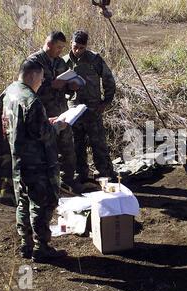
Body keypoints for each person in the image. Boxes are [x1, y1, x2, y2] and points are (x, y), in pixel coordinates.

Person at [1, 60, 68, 262]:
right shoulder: (32, 100)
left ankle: (26, 244)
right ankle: (42, 247)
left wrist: (46, 122)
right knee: (40, 203)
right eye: (41, 78)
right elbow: (43, 134)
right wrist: (58, 127)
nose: (42, 81)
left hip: (18, 159)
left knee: (23, 200)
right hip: (36, 162)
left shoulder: (11, 92)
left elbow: (19, 124)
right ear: (32, 76)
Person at [28, 31, 81, 191]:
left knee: (66, 147)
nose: (60, 51)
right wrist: (50, 85)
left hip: (61, 111)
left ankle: (68, 182)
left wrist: (71, 87)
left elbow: (65, 86)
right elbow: (27, 89)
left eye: (62, 48)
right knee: (45, 150)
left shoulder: (59, 63)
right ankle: (46, 185)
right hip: (42, 114)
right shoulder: (33, 62)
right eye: (58, 47)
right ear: (49, 44)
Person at [63, 30, 116, 183]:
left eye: (81, 47)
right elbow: (58, 86)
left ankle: (104, 174)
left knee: (98, 143)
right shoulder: (64, 61)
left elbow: (109, 81)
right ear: (71, 44)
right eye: (75, 47)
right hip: (73, 109)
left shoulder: (95, 60)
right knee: (76, 144)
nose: (77, 50)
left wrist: (106, 102)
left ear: (86, 46)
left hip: (93, 109)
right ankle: (81, 174)